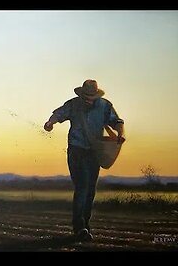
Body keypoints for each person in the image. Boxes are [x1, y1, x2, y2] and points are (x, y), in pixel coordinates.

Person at [43, 79, 125, 242]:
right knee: (82, 186)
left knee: (90, 190)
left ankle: (85, 224)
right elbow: (58, 113)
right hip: (76, 150)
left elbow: (117, 121)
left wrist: (120, 133)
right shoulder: (73, 104)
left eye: (91, 96)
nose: (89, 99)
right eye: (86, 96)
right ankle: (79, 226)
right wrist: (50, 123)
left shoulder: (104, 106)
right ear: (81, 94)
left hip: (95, 152)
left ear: (96, 95)